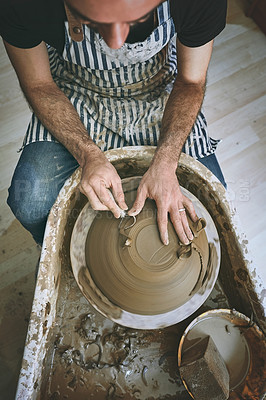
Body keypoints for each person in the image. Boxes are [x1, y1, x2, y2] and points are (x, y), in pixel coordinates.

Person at [0, 0, 227, 246]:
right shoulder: (21, 4)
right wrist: (87, 155)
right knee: (30, 203)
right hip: (75, 88)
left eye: (135, 21)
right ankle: (56, 250)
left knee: (212, 205)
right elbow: (38, 85)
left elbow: (190, 82)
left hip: (158, 87)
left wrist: (167, 160)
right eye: (94, 22)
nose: (115, 43)